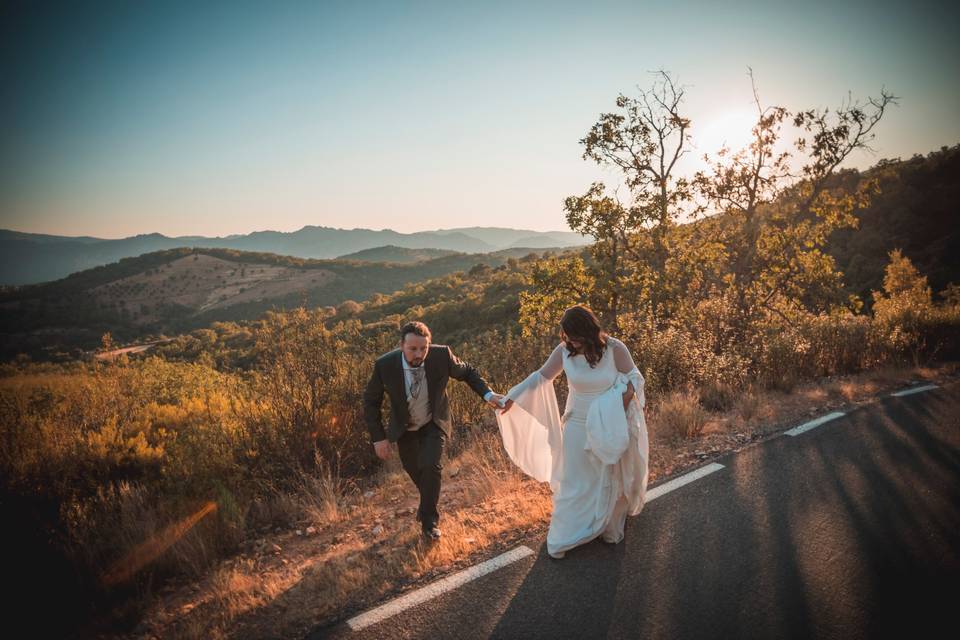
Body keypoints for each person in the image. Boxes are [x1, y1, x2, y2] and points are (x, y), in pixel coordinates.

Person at [493, 305, 649, 559]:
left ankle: (604, 524)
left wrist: (619, 405)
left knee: (604, 475)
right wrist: (511, 397)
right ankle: (569, 532)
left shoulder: (614, 349)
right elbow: (540, 378)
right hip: (577, 424)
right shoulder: (564, 351)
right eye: (567, 336)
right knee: (575, 481)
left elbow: (635, 378)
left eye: (576, 336)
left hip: (607, 422)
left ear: (589, 331)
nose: (571, 341)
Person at [363, 321, 501, 540]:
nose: (419, 354)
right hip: (405, 430)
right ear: (401, 346)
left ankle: (430, 524)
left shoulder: (441, 355)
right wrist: (378, 438)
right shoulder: (384, 365)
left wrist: (488, 395)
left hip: (433, 423)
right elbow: (371, 402)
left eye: (423, 348)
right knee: (419, 475)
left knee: (431, 466)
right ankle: (426, 505)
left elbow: (468, 372)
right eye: (413, 349)